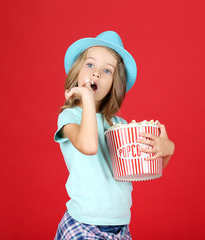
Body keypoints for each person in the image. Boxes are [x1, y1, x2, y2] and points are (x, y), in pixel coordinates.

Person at [54, 31, 175, 239]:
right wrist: (88, 100)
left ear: (114, 85)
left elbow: (141, 170)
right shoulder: (69, 117)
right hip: (83, 225)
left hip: (120, 227)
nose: (96, 73)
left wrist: (168, 150)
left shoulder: (119, 125)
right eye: (90, 65)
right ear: (77, 72)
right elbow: (89, 146)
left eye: (107, 70)